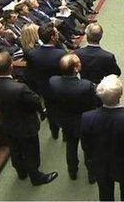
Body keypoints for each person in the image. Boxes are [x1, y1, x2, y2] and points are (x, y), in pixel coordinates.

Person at [0, 52, 59, 186]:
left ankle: (21, 172)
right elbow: (35, 101)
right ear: (11, 67)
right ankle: (36, 177)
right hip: (25, 124)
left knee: (15, 148)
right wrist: (40, 111)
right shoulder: (19, 88)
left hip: (6, 122)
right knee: (31, 151)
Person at [80, 75, 124, 200]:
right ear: (120, 94)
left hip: (101, 163)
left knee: (105, 195)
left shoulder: (87, 118)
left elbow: (86, 144)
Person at [48, 53, 98, 181]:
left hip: (66, 121)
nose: (81, 64)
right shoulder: (86, 85)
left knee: (71, 146)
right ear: (76, 69)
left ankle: (72, 172)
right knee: (89, 149)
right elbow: (94, 104)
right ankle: (92, 174)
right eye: (79, 63)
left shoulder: (53, 81)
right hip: (84, 121)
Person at [24, 23, 65, 139]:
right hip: (60, 87)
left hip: (44, 88)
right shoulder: (60, 54)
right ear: (53, 37)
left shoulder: (32, 53)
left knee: (51, 111)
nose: (58, 35)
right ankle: (66, 134)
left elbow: (29, 73)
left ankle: (54, 132)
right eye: (57, 33)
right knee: (64, 110)